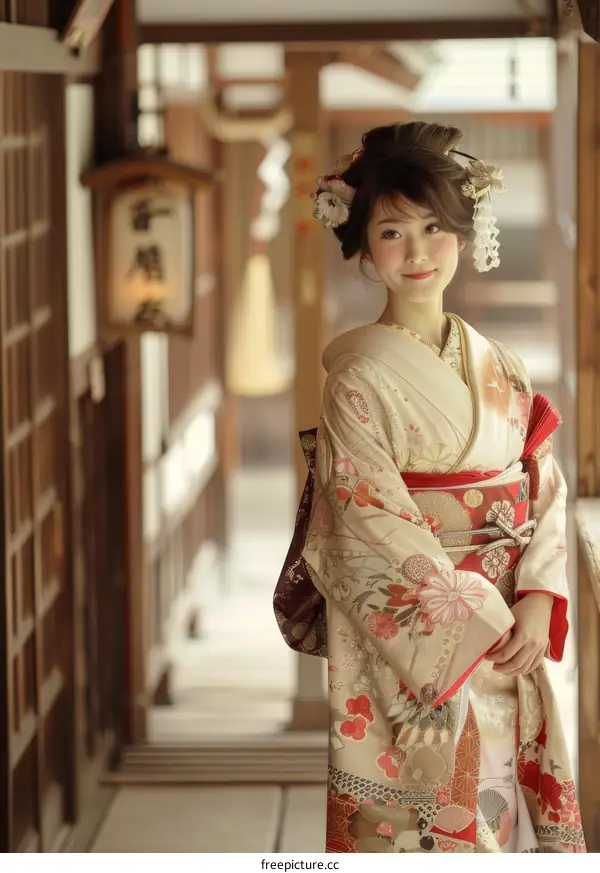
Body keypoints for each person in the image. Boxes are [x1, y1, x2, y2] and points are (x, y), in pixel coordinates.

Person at [273, 121, 585, 854]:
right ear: (361, 247)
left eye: (435, 227)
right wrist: (475, 614)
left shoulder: (500, 363)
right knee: (417, 824)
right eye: (391, 231)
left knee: (495, 810)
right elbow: (363, 521)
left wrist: (539, 593)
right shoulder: (356, 381)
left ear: (465, 234)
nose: (416, 252)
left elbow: (540, 481)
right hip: (418, 646)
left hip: (509, 630)